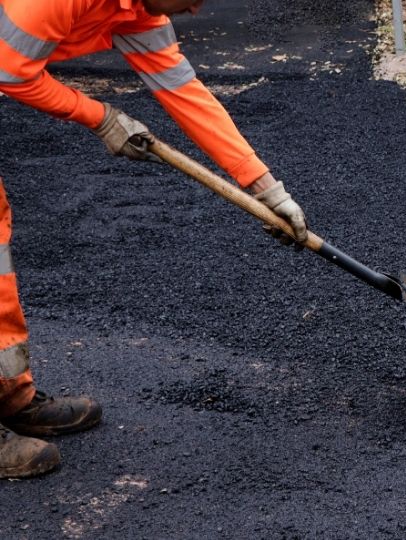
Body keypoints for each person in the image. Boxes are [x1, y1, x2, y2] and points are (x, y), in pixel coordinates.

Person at [0, 0, 308, 478]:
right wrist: (100, 117)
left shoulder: (142, 14)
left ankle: (8, 396)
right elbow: (11, 71)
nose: (196, 7)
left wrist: (266, 189)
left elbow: (185, 92)